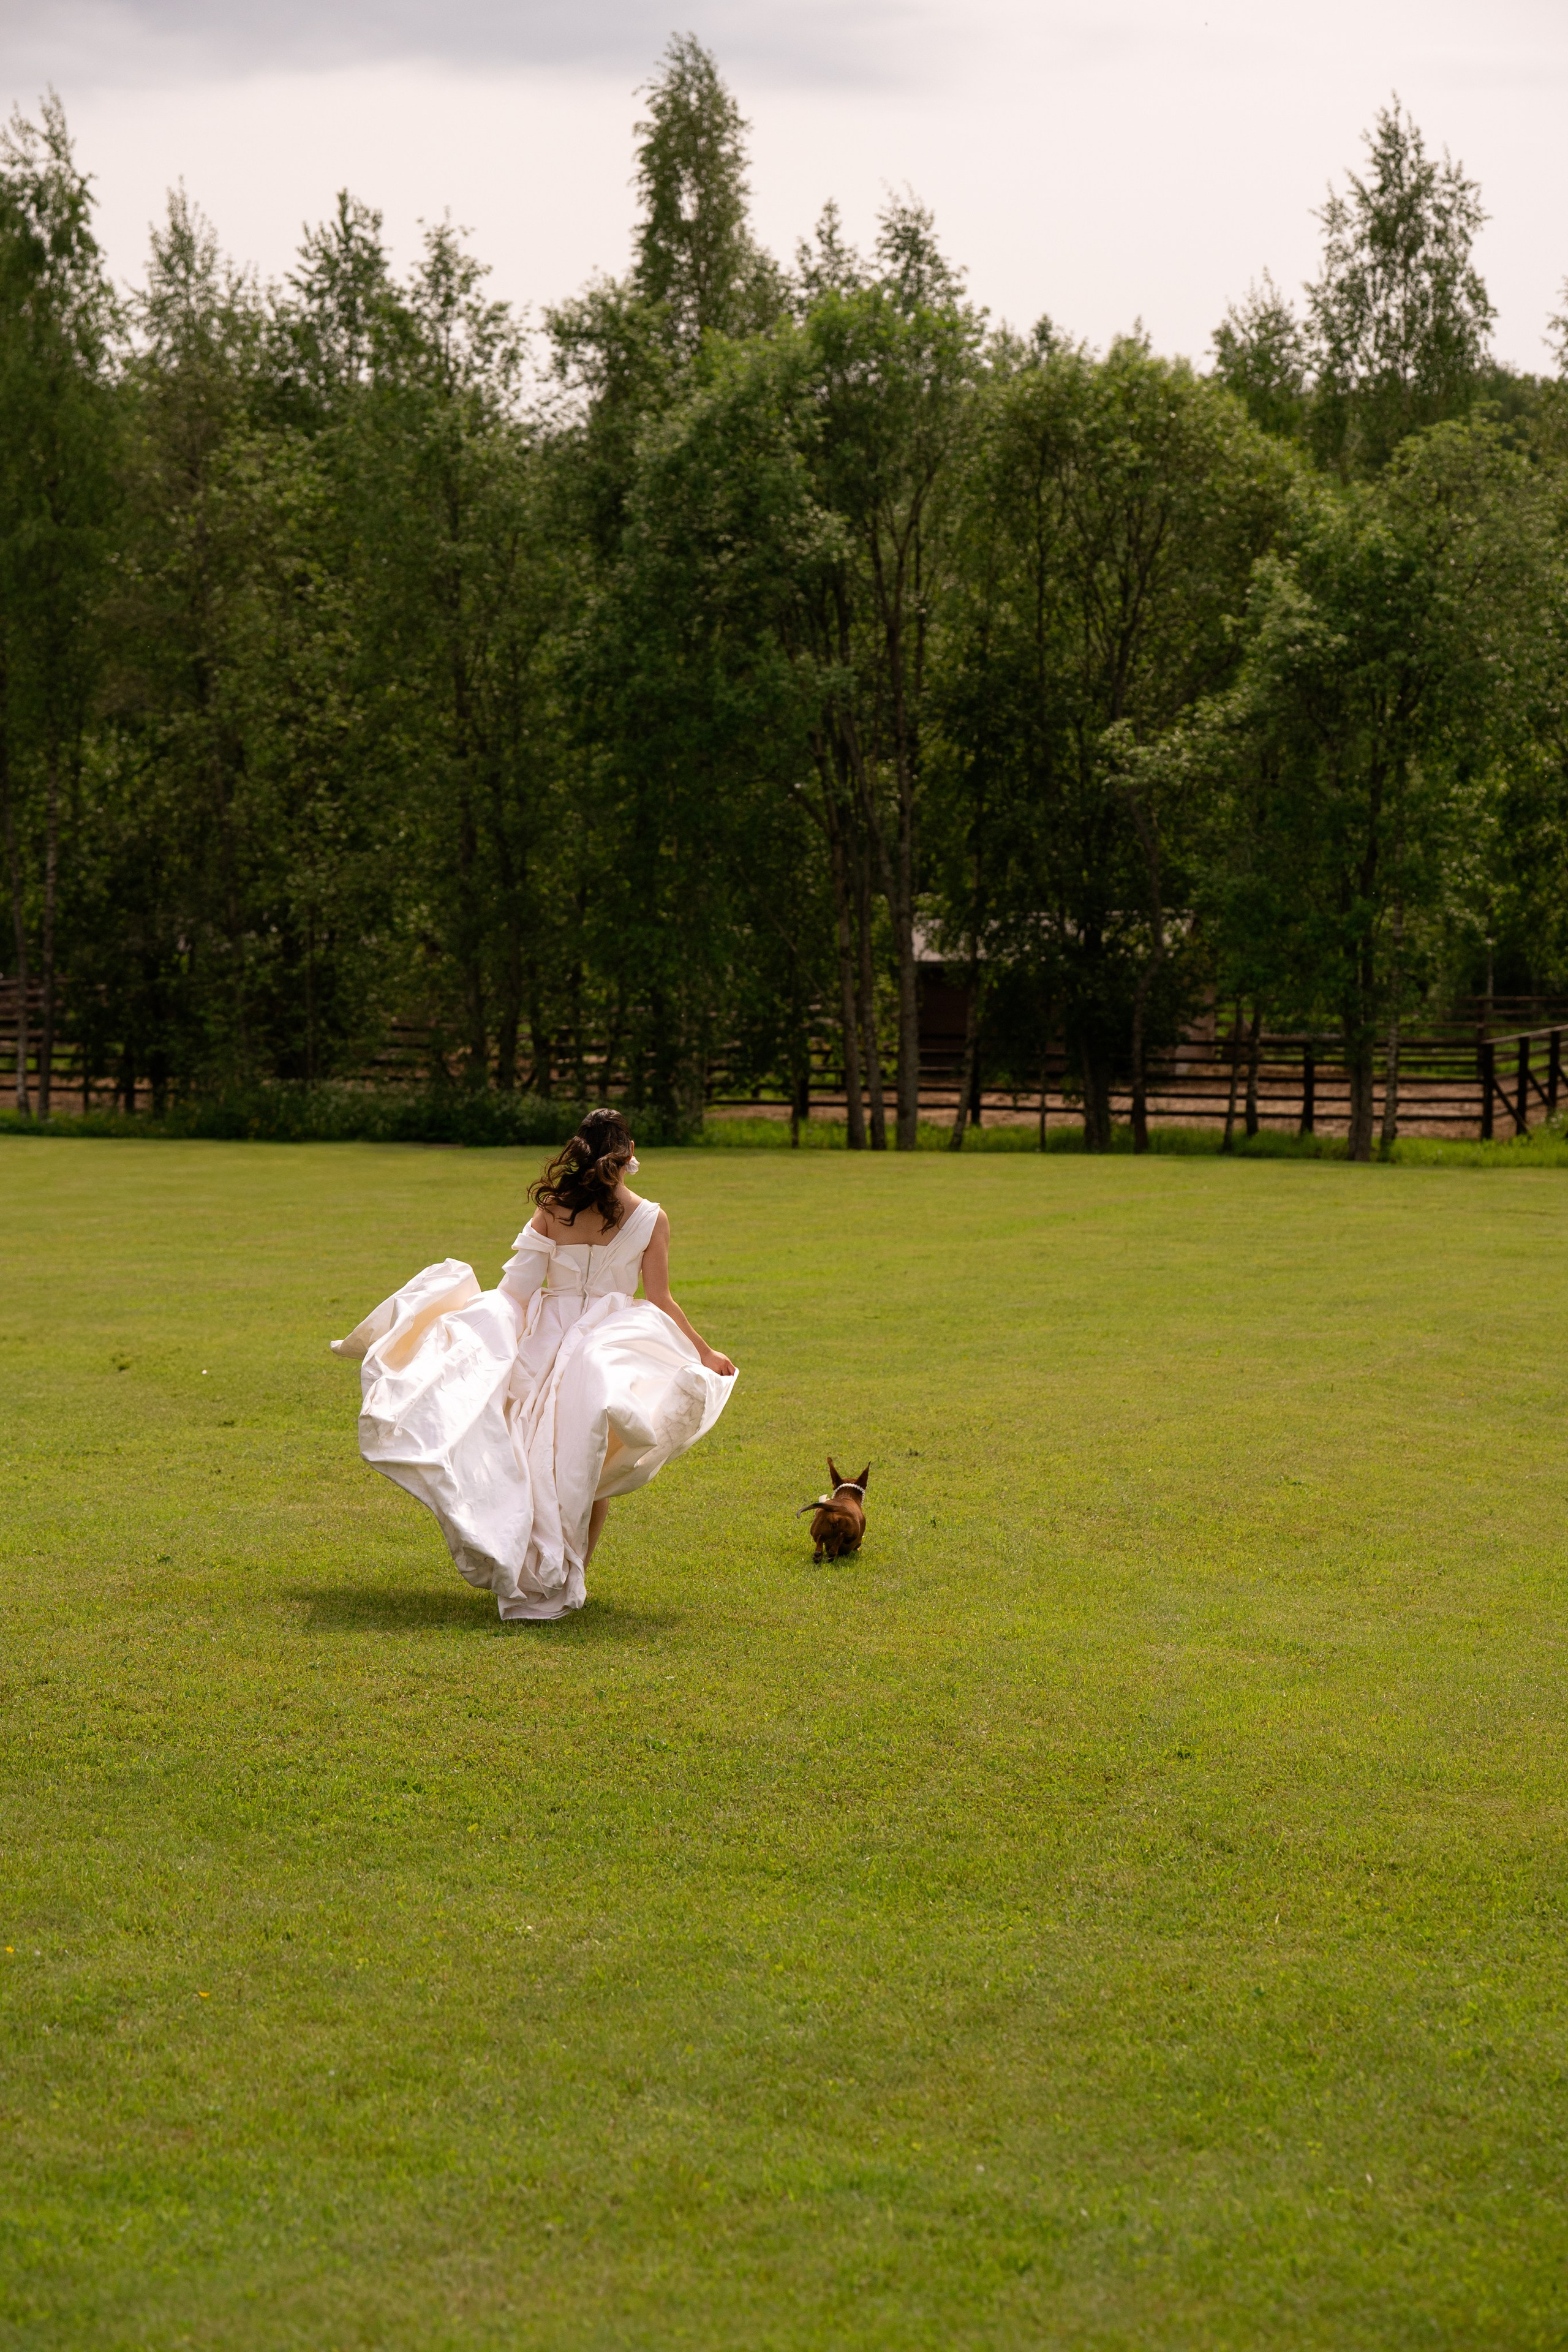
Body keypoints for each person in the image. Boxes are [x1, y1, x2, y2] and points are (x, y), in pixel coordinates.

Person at [332, 1107, 737, 1621]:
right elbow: (659, 1298)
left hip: (548, 1338)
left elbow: (517, 1291)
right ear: (628, 1155)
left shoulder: (553, 1208)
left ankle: (551, 1566)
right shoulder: (651, 1217)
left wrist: (483, 1335)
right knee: (586, 1460)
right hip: (607, 1343)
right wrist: (704, 1351)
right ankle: (574, 1571)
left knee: (539, 1455)